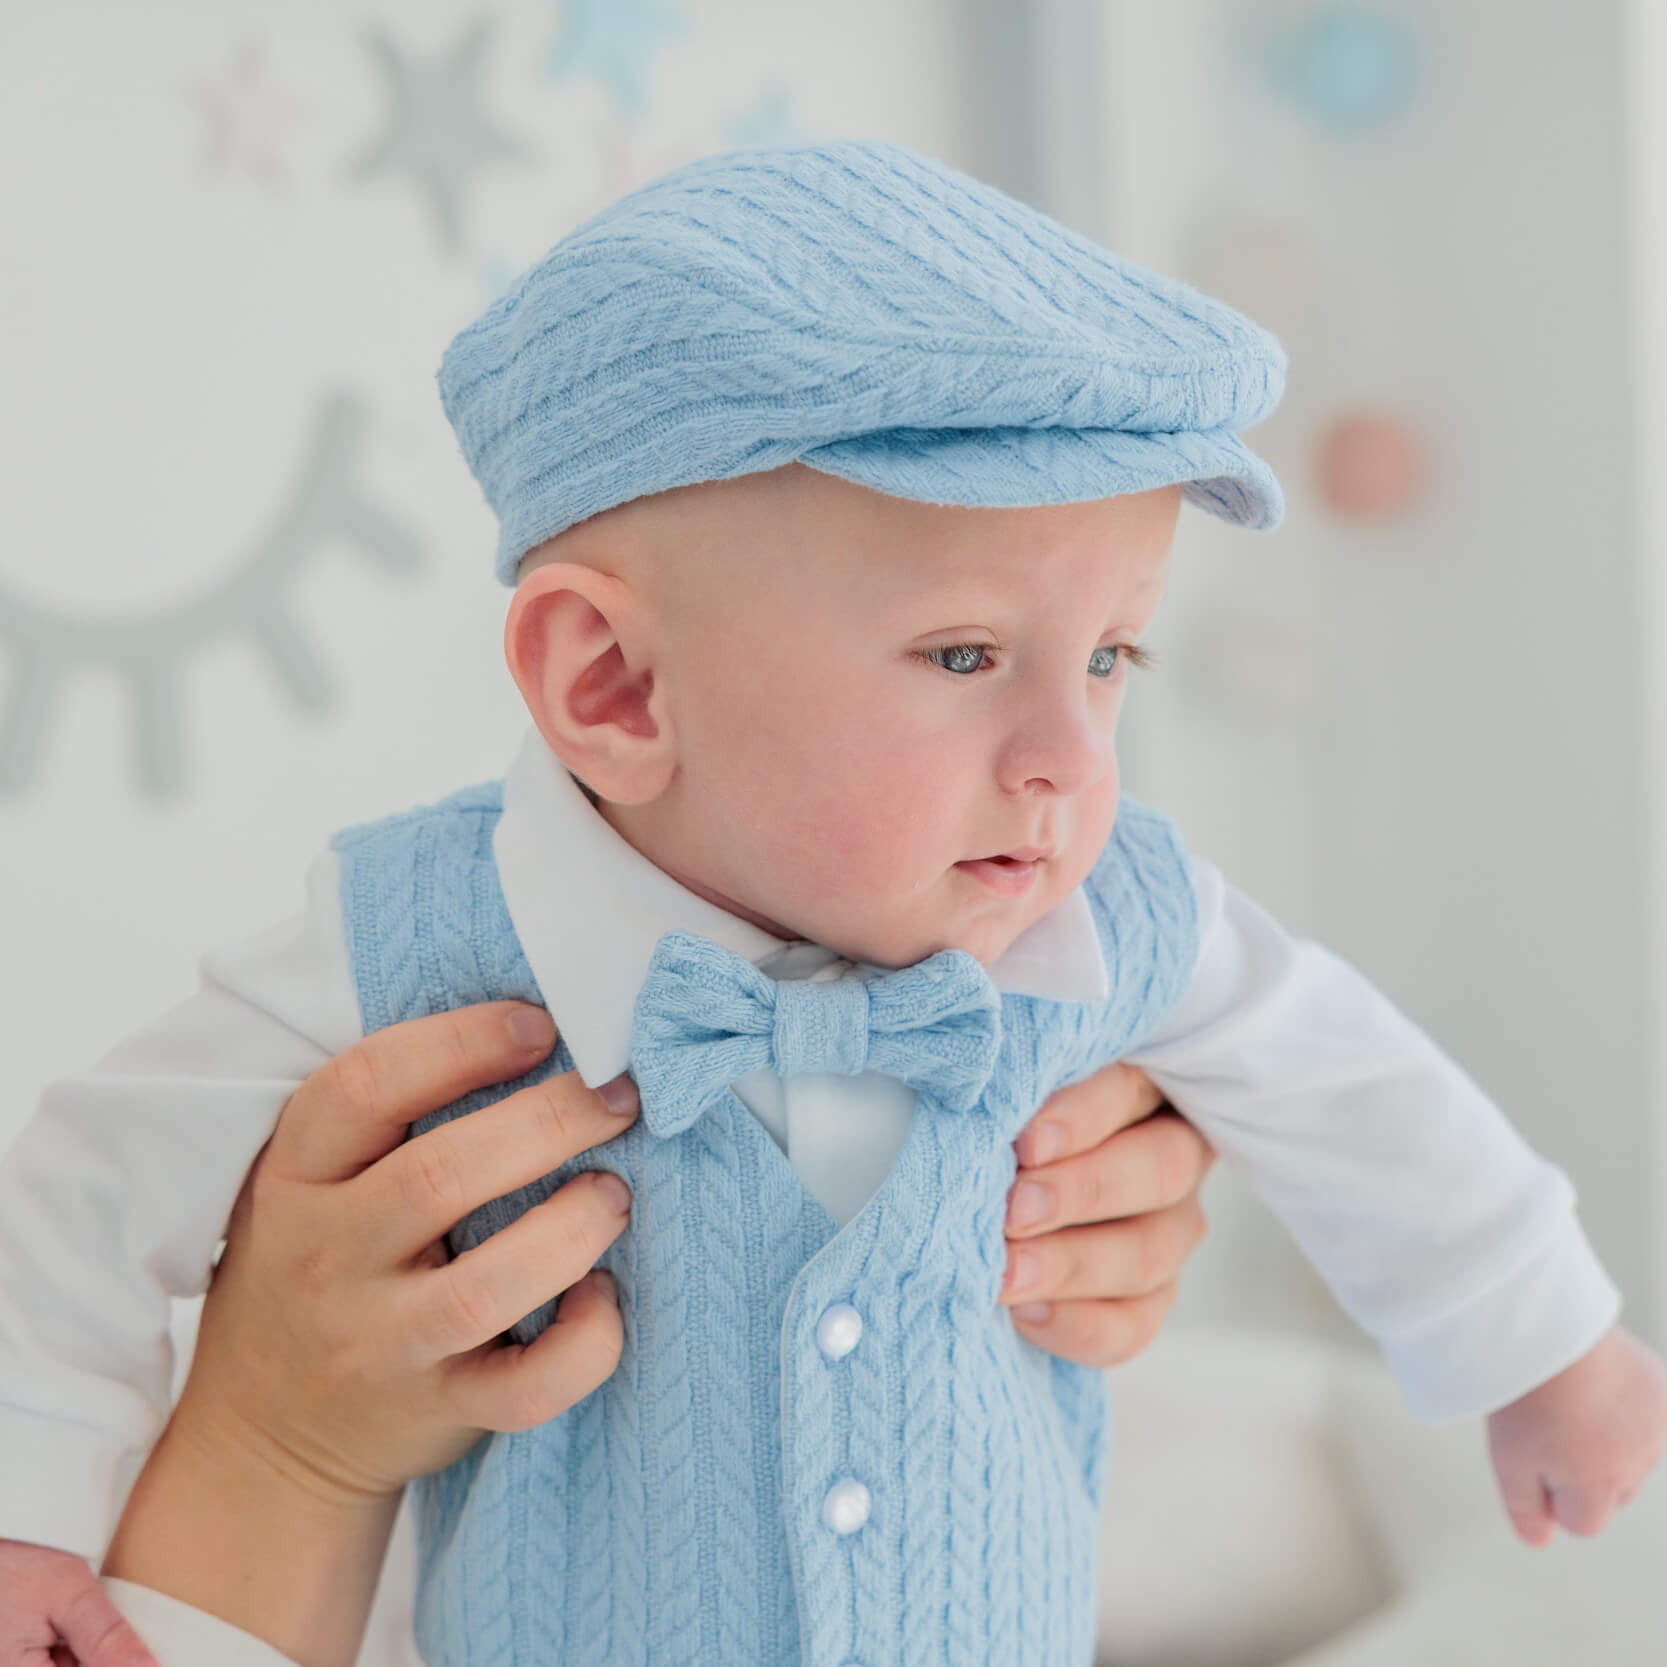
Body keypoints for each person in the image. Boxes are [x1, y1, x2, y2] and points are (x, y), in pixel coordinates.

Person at [3, 137, 1665, 1667]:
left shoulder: (1111, 921)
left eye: (1111, 658)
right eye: (966, 656)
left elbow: (1360, 1094)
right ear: (616, 688)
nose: (1068, 758)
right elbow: (79, 1192)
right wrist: (24, 1509)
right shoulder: (423, 936)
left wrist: (1547, 1347)